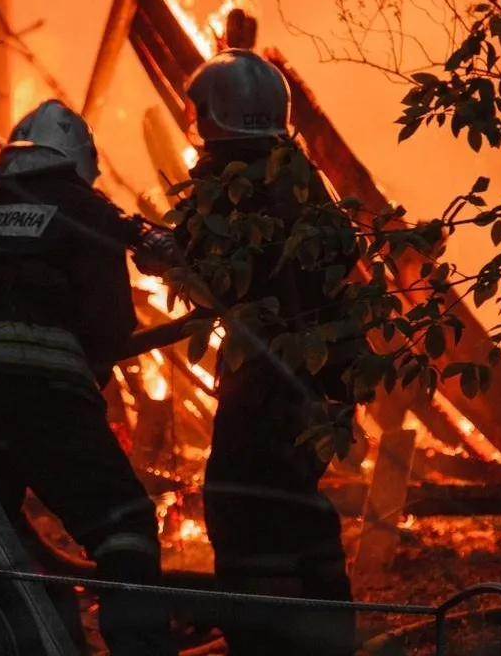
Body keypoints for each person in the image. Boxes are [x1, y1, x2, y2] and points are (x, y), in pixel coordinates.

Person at [0, 99, 178, 656]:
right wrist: (92, 372)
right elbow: (110, 322)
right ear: (78, 163)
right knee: (123, 521)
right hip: (41, 399)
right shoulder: (85, 208)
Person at [174, 49, 364, 655]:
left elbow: (212, 272)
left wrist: (161, 253)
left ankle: (266, 640)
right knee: (295, 509)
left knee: (241, 504)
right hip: (322, 382)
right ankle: (324, 638)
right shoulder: (303, 179)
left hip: (268, 384)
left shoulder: (230, 181)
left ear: (213, 114)